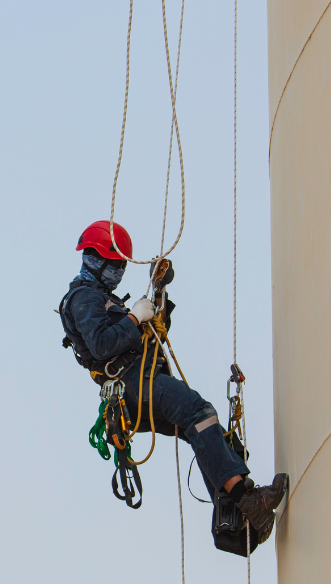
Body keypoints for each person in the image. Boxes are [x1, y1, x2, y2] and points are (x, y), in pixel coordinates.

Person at [59, 220, 286, 538]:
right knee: (198, 412)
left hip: (138, 384)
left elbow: (148, 337)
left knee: (215, 435)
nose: (119, 270)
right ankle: (248, 500)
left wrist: (158, 291)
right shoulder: (84, 298)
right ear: (98, 261)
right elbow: (101, 344)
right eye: (116, 263)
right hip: (131, 383)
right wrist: (134, 317)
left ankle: (235, 523)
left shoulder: (104, 299)